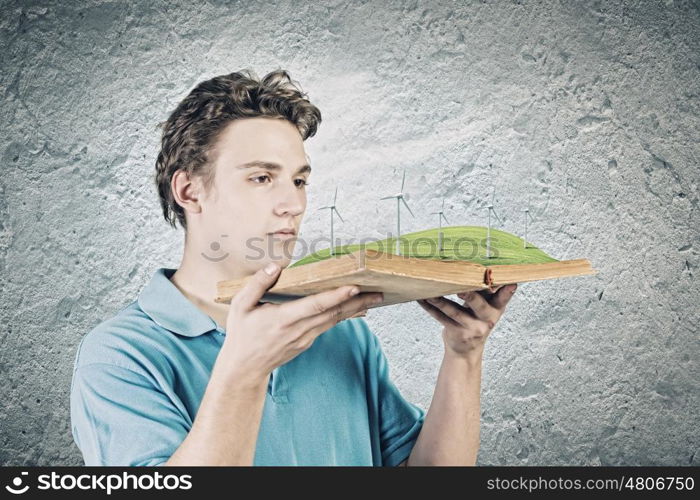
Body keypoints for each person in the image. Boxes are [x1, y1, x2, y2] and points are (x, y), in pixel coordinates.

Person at [70, 69, 518, 466]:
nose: (294, 204)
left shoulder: (339, 329)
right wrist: (244, 371)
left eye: (299, 180)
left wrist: (464, 354)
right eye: (262, 178)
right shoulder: (120, 357)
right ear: (189, 192)